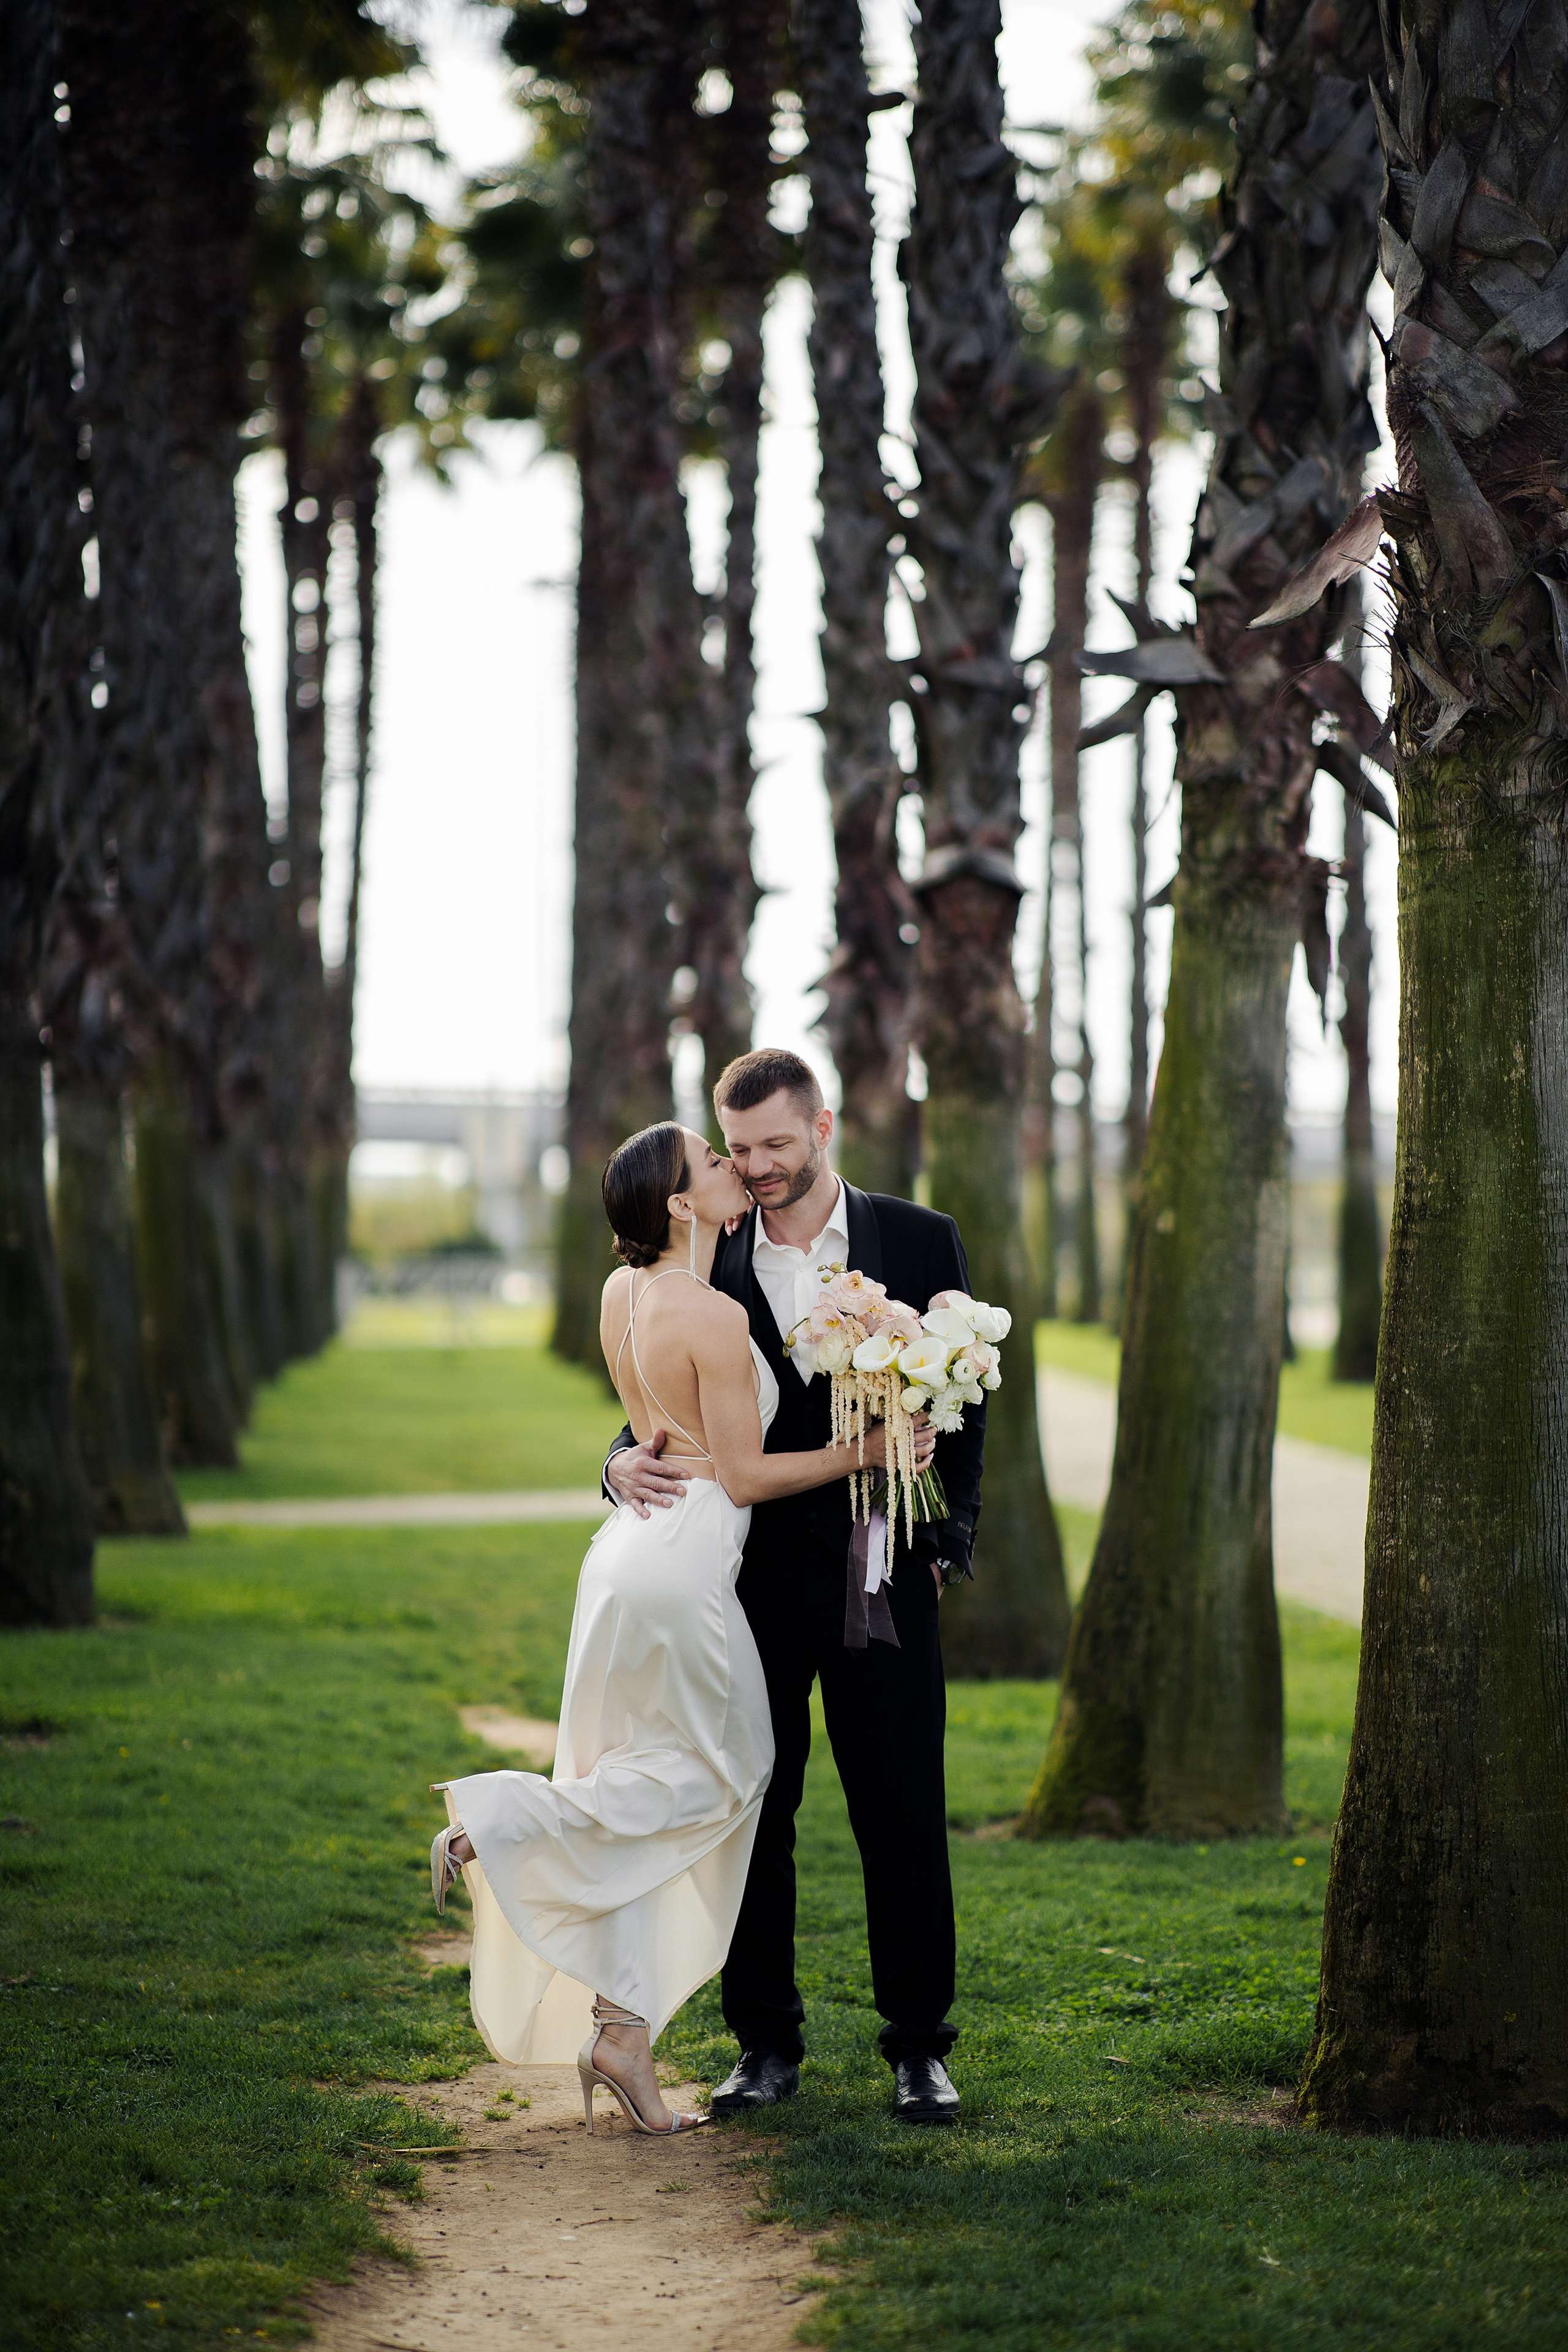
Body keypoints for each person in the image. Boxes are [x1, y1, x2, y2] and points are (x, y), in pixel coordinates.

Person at [430, 1120, 931, 2138]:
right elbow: (742, 1475)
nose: (733, 1170)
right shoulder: (704, 1308)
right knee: (732, 1773)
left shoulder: (623, 1294)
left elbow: (649, 1427)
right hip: (691, 1561)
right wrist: (868, 1450)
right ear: (677, 1202)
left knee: (659, 1768)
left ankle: (621, 2032)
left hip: (625, 1554)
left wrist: (618, 1466)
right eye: (713, 1161)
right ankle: (501, 1824)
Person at [605, 1049, 986, 2125]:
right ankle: (763, 2043)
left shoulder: (917, 1237)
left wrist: (947, 1543)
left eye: (779, 1143)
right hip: (747, 1582)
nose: (759, 1167)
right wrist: (611, 1463)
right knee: (754, 1812)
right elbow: (664, 1395)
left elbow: (968, 1384)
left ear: (825, 1129)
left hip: (886, 1573)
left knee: (903, 1810)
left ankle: (921, 2048)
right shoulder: (708, 1250)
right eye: (739, 1150)